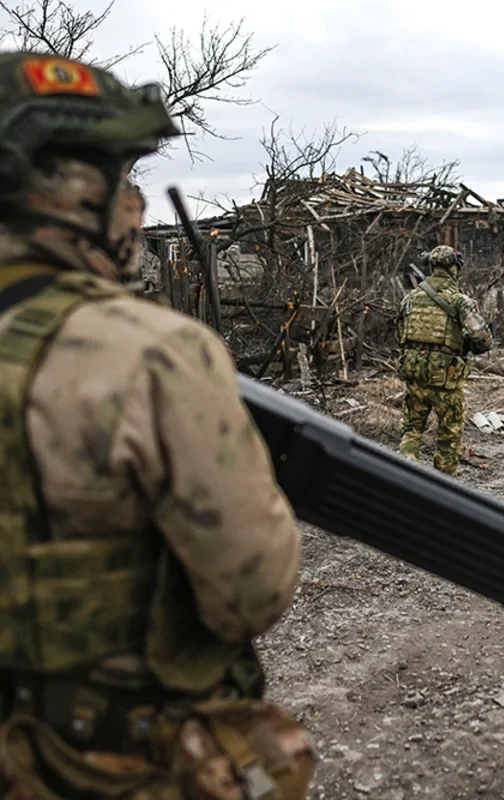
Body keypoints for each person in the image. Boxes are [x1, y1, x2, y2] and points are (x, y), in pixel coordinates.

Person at [0, 52, 313, 796]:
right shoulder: (149, 353)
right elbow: (251, 593)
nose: (136, 206)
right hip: (90, 762)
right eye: (123, 177)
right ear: (68, 192)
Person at [397, 244, 493, 475]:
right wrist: (468, 345)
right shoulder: (459, 301)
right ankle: (443, 484)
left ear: (431, 266)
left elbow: (401, 335)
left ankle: (405, 473)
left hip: (414, 374)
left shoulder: (410, 298)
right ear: (453, 269)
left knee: (411, 428)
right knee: (448, 434)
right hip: (445, 381)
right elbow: (483, 338)